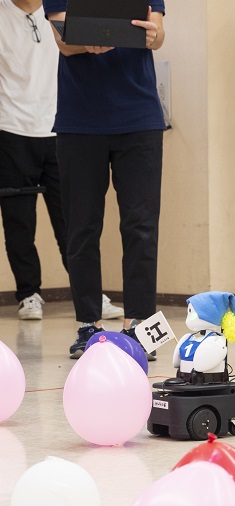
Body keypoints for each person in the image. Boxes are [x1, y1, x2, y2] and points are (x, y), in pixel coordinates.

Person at [42, 0, 165, 359]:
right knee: (81, 226)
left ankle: (139, 324)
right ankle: (88, 326)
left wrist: (153, 35)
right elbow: (65, 42)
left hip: (140, 118)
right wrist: (89, 41)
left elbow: (156, 35)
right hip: (80, 122)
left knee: (141, 226)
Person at [0, 0, 124, 321]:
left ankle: (89, 294)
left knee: (73, 221)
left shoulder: (59, 8)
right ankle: (29, 294)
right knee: (19, 222)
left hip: (61, 126)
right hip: (11, 128)